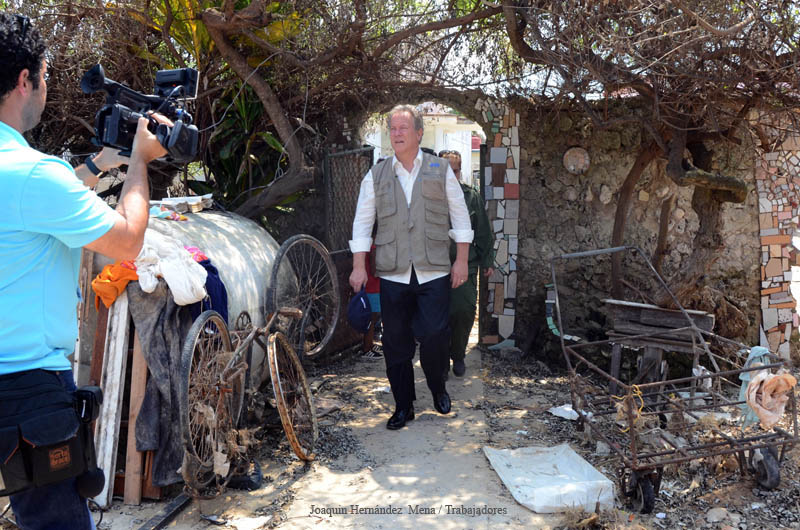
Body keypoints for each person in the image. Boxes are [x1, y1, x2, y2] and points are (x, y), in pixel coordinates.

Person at [0, 13, 169, 529]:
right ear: (25, 80)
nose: (46, 88)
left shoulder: (29, 178)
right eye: (46, 76)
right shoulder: (32, 174)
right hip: (29, 391)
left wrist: (98, 166)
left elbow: (32, 210)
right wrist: (139, 162)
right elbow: (128, 241)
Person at [349, 104, 473, 430]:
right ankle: (403, 405)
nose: (397, 134)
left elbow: (460, 217)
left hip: (434, 270)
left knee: (434, 335)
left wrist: (461, 260)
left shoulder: (440, 169)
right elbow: (362, 224)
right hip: (393, 271)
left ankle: (437, 386)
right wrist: (358, 267)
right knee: (395, 342)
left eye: (404, 128)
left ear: (419, 133)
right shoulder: (375, 175)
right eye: (393, 129)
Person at [438, 150, 494, 379]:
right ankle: (439, 359)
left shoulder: (470, 196)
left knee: (463, 310)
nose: (452, 175)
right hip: (434, 266)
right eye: (447, 171)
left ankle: (458, 354)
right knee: (436, 316)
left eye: (456, 170)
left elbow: (482, 230)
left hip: (466, 266)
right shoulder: (428, 197)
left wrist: (486, 260)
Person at [360, 244, 383, 360]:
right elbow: (374, 270)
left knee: (373, 318)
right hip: (372, 286)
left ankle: (370, 345)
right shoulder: (373, 247)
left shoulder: (368, 246)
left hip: (371, 286)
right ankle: (367, 349)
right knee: (372, 318)